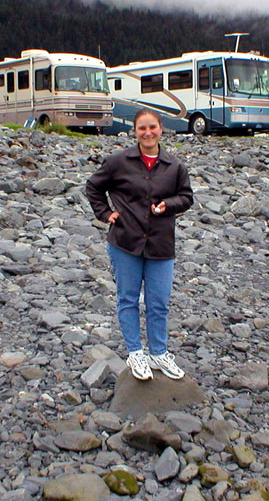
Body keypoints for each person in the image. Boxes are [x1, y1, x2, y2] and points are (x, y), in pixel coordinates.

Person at [85, 109, 194, 381]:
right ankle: (136, 353)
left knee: (159, 303)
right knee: (128, 299)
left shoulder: (174, 166)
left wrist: (169, 204)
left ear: (161, 129)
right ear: (135, 131)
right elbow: (93, 187)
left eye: (152, 127)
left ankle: (159, 353)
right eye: (142, 128)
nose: (148, 133)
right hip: (125, 242)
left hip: (161, 244)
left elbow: (187, 197)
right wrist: (105, 213)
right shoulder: (119, 161)